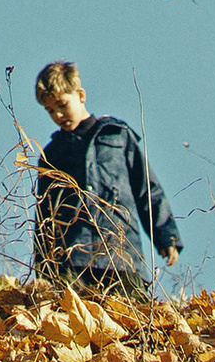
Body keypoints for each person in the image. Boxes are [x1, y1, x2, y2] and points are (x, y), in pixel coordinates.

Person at [32, 62, 181, 291]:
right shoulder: (52, 155)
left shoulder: (117, 136)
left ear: (80, 95)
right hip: (72, 263)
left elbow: (147, 189)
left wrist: (166, 237)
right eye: (50, 110)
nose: (58, 115)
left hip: (122, 259)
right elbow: (44, 216)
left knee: (132, 322)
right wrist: (44, 270)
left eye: (62, 105)